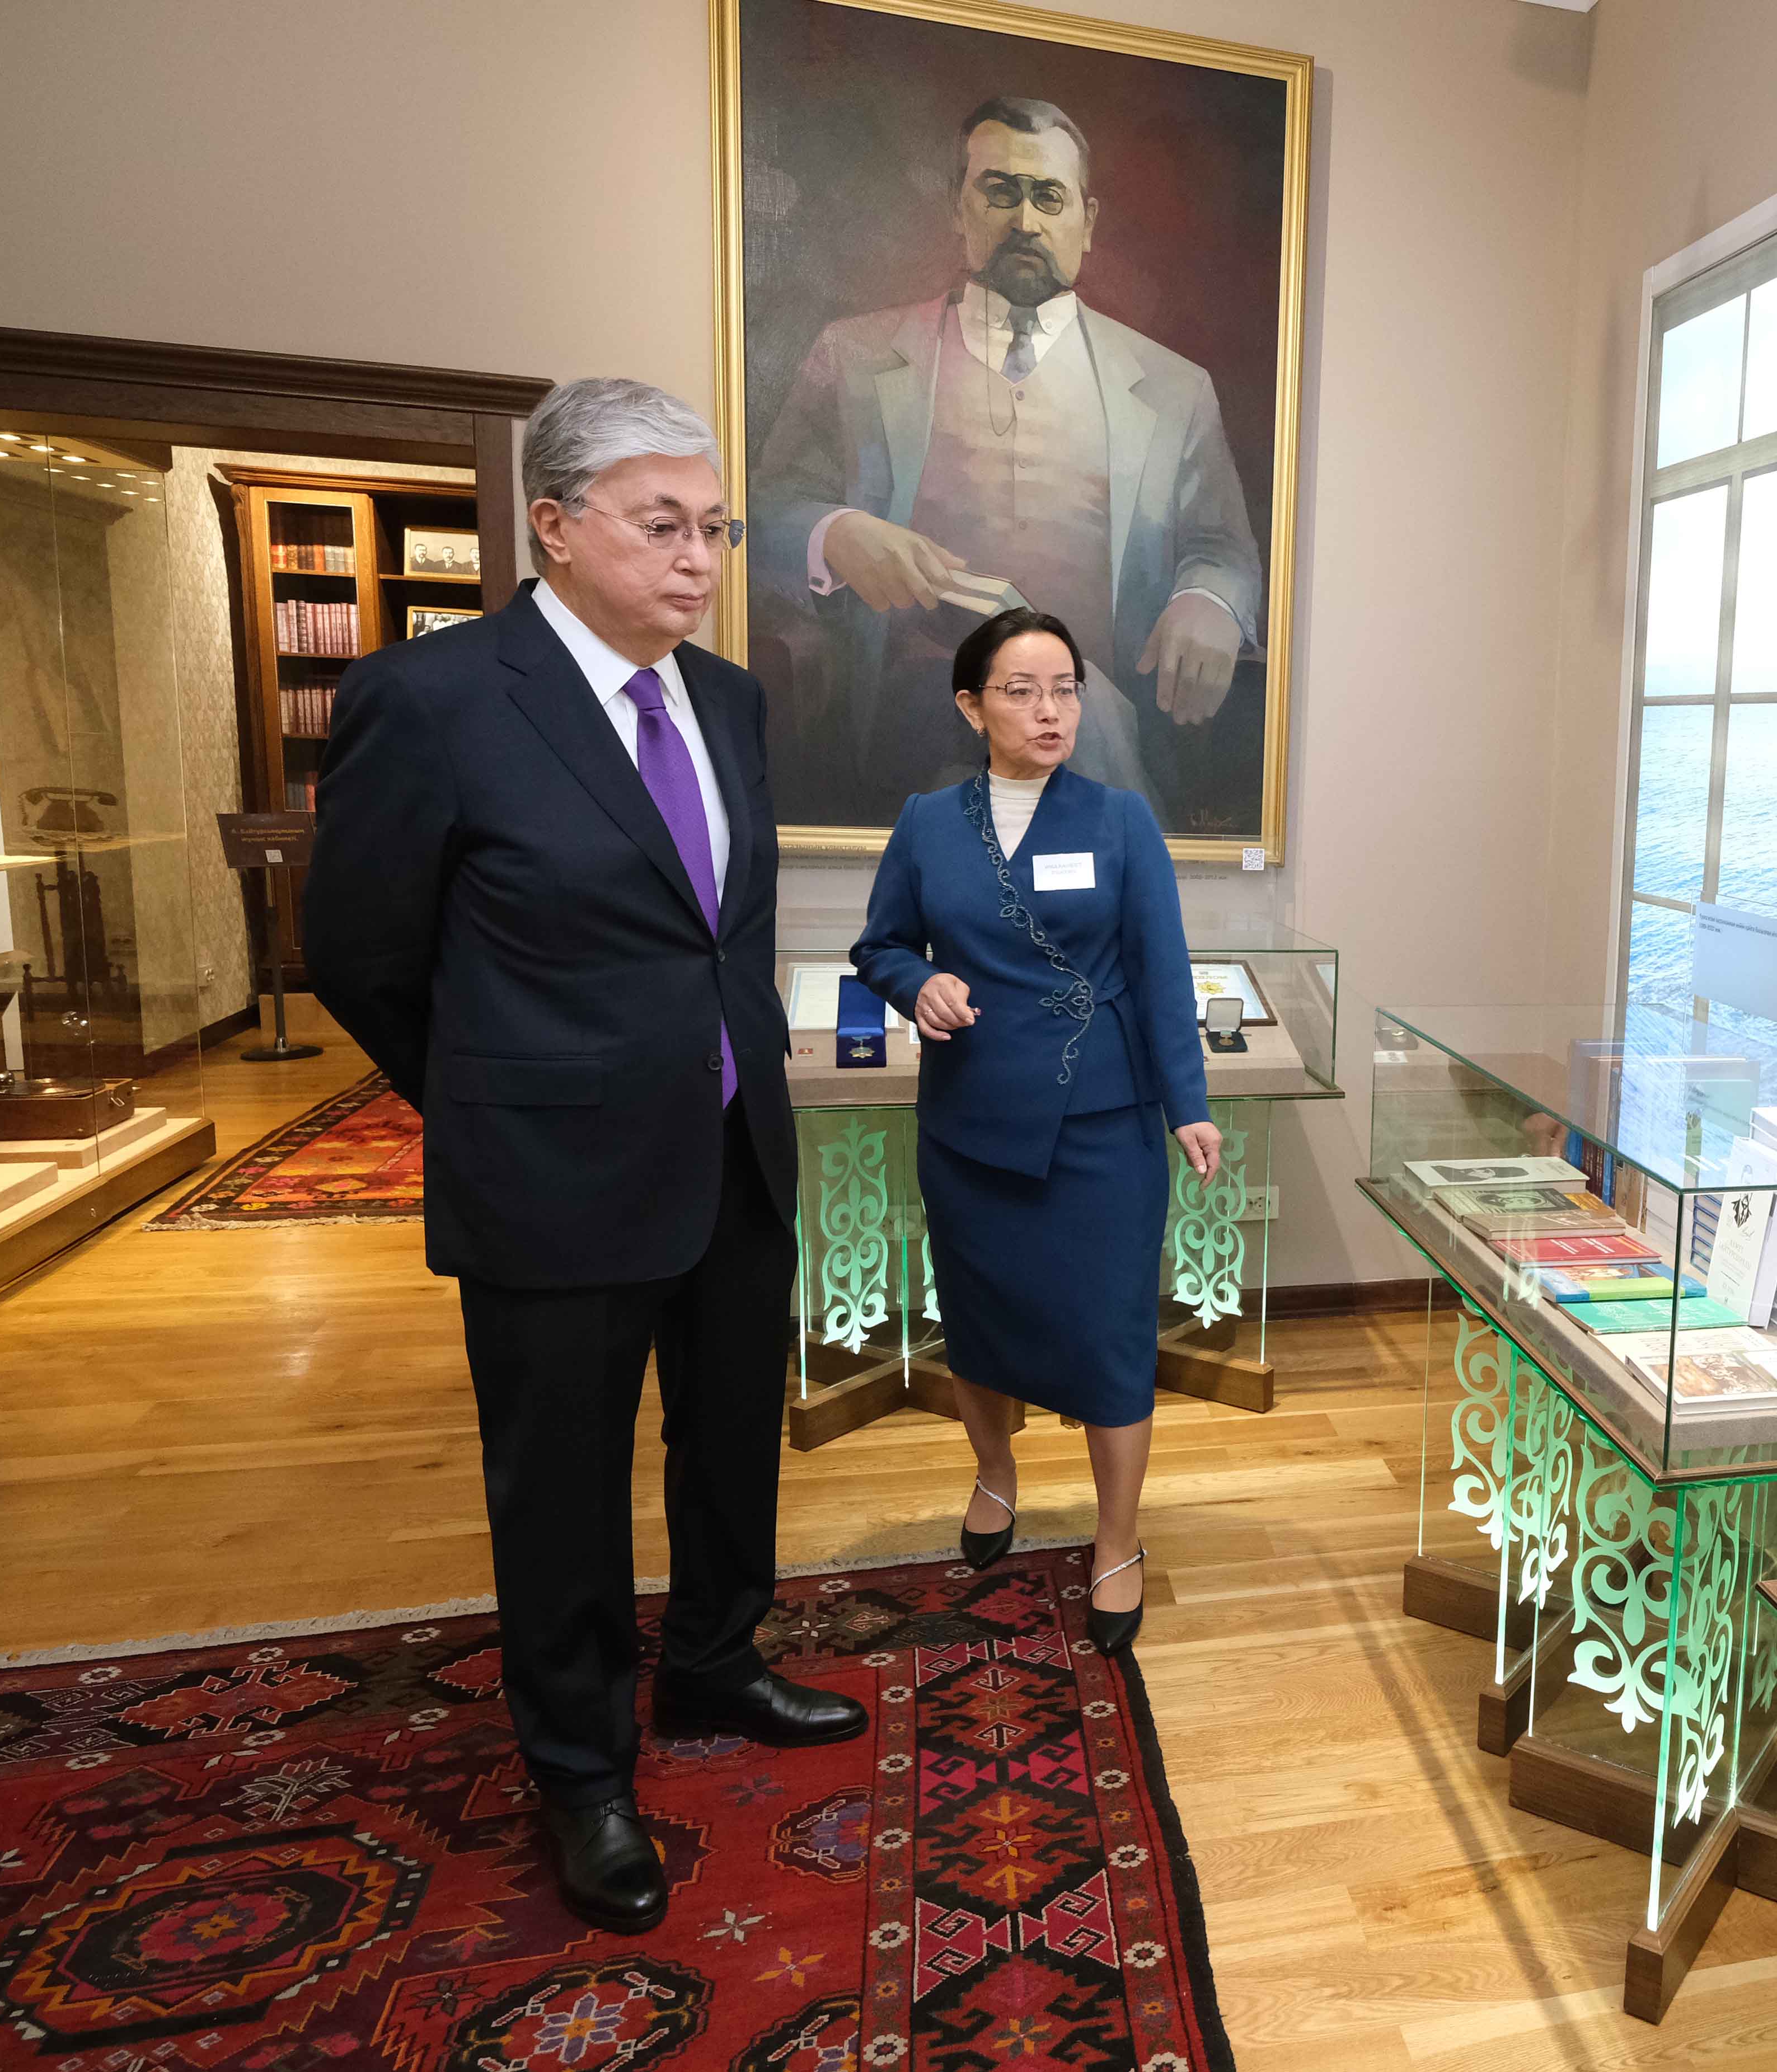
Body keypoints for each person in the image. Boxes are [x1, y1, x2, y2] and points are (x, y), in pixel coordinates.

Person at [306, 377, 862, 1936]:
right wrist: (495, 1096)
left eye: (716, 529)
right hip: (549, 1173)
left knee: (732, 1433)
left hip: (732, 1142)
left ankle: (717, 1661)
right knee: (559, 1486)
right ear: (551, 525)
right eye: (661, 525)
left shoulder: (730, 700)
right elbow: (358, 950)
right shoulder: (434, 698)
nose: (698, 560)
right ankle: (580, 1768)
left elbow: (720, 934)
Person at [851, 606, 1219, 1656]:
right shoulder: (928, 822)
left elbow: (1161, 973)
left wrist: (1187, 1105)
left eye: (1065, 689)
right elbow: (879, 946)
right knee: (981, 1318)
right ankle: (995, 1474)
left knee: (1111, 1333)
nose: (1050, 709)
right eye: (1022, 691)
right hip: (971, 1121)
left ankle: (1118, 1539)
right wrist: (918, 984)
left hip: (1102, 1124)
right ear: (972, 707)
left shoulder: (1119, 820)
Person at [753, 95, 1264, 829]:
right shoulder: (854, 355)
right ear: (957, 209)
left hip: (1107, 720)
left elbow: (1223, 550)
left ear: (1088, 221)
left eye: (1049, 197)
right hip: (911, 722)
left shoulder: (1175, 388)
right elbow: (760, 514)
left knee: (1097, 738)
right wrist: (834, 532)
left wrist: (1209, 602)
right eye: (1000, 191)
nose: (1026, 221)